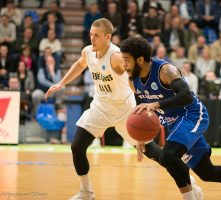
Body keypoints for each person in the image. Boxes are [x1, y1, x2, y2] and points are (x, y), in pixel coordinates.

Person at [44, 18, 201, 200]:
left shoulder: (117, 56)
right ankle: (86, 192)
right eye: (91, 35)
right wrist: (61, 83)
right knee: (77, 146)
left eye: (97, 36)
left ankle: (188, 180)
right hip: (100, 107)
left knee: (155, 153)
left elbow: (135, 76)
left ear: (108, 37)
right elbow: (80, 64)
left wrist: (144, 104)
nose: (92, 39)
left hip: (124, 110)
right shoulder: (88, 51)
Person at [120, 37, 221, 200]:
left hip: (192, 115)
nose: (123, 65)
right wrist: (141, 137)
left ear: (140, 59)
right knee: (207, 172)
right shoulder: (133, 81)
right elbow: (142, 107)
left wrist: (157, 104)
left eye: (126, 60)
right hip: (175, 123)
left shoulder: (165, 71)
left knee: (168, 156)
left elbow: (186, 96)